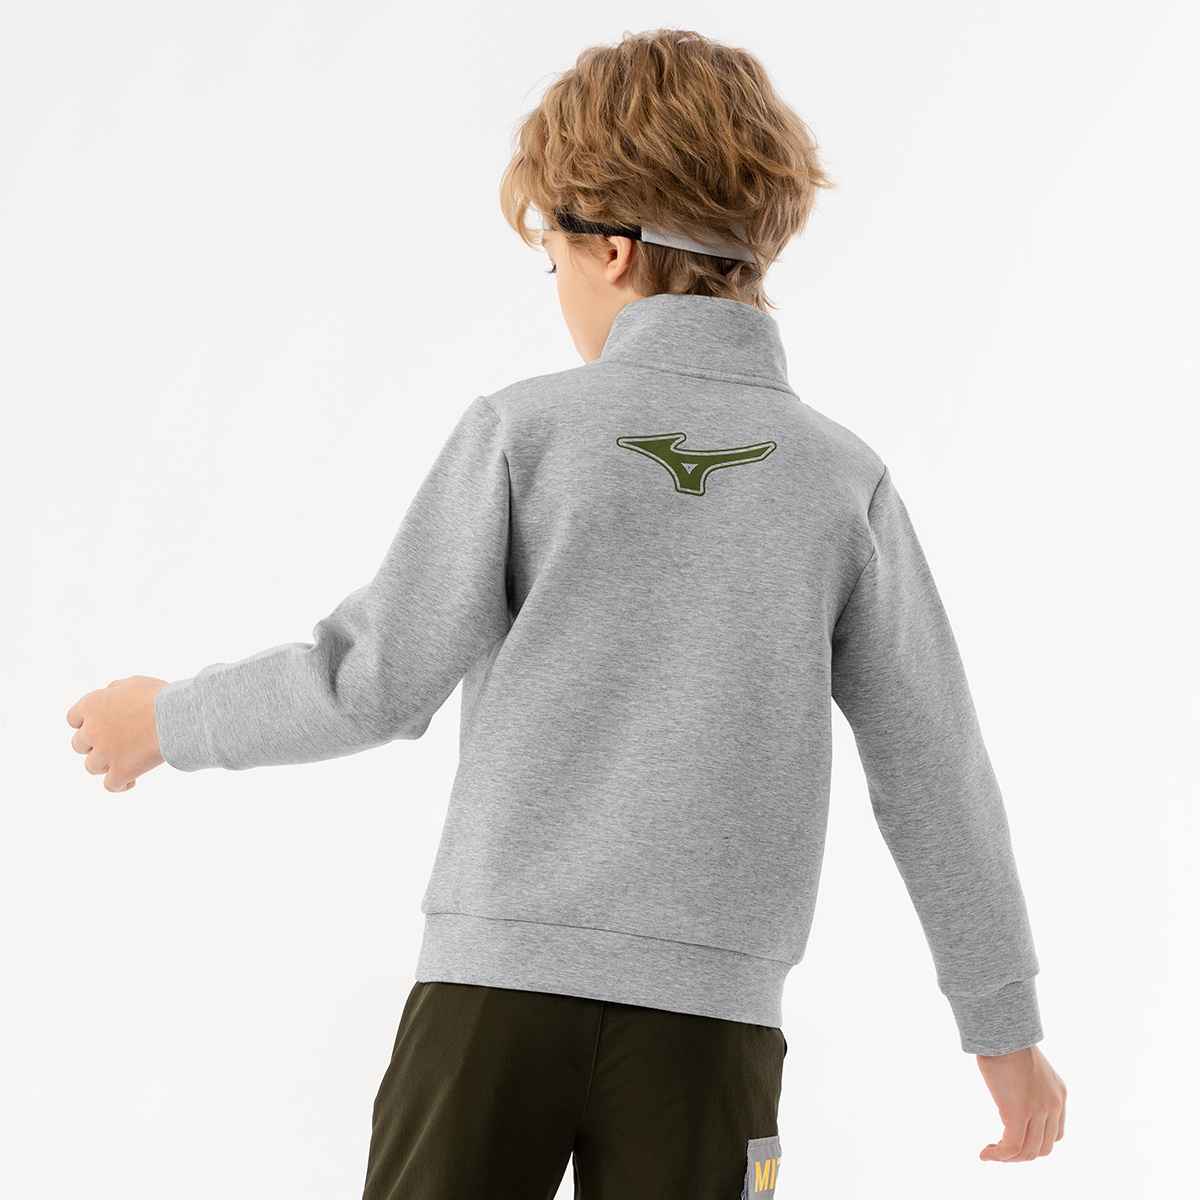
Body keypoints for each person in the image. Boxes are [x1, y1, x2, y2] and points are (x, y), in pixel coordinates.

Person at [65, 26, 1067, 1199]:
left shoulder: (526, 432)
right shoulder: (842, 481)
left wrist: (167, 719)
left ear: (611, 250)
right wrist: (1003, 1026)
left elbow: (375, 679)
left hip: (489, 1003)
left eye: (552, 263)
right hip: (710, 1034)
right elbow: (934, 765)